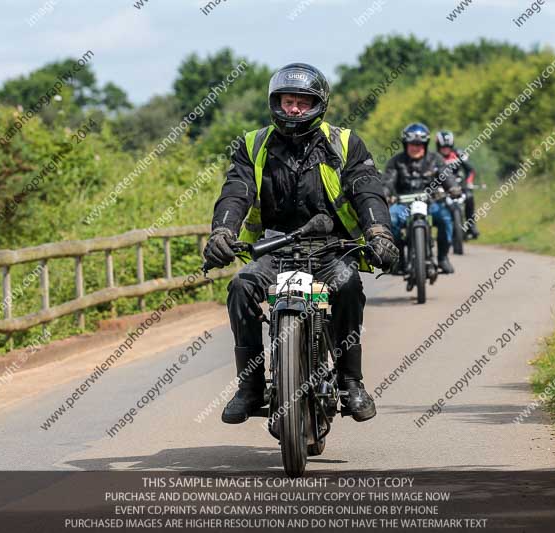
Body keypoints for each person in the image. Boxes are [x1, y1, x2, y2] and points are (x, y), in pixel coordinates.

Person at [203, 63, 398, 425]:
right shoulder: (253, 144)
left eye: (302, 102)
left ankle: (350, 381)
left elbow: (366, 189)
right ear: (274, 102)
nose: (293, 109)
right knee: (241, 287)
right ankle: (250, 388)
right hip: (272, 248)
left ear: (318, 105)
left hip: (330, 247)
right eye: (287, 101)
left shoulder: (344, 142)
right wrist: (222, 232)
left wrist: (379, 233)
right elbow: (236, 191)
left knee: (349, 284)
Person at [383, 123, 456, 274]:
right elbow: (388, 181)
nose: (415, 147)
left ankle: (442, 258)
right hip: (403, 204)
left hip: (430, 203)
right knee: (391, 220)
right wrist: (384, 194)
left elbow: (446, 176)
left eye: (419, 144)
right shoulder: (396, 162)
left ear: (425, 144)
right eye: (412, 144)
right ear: (406, 144)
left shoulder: (435, 159)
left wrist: (453, 188)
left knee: (446, 218)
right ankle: (399, 259)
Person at [436, 130, 479, 239]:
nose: (445, 150)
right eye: (442, 147)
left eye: (448, 147)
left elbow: (470, 170)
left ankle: (471, 226)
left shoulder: (459, 154)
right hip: (440, 187)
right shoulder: (434, 157)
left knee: (469, 196)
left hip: (458, 185)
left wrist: (469, 182)